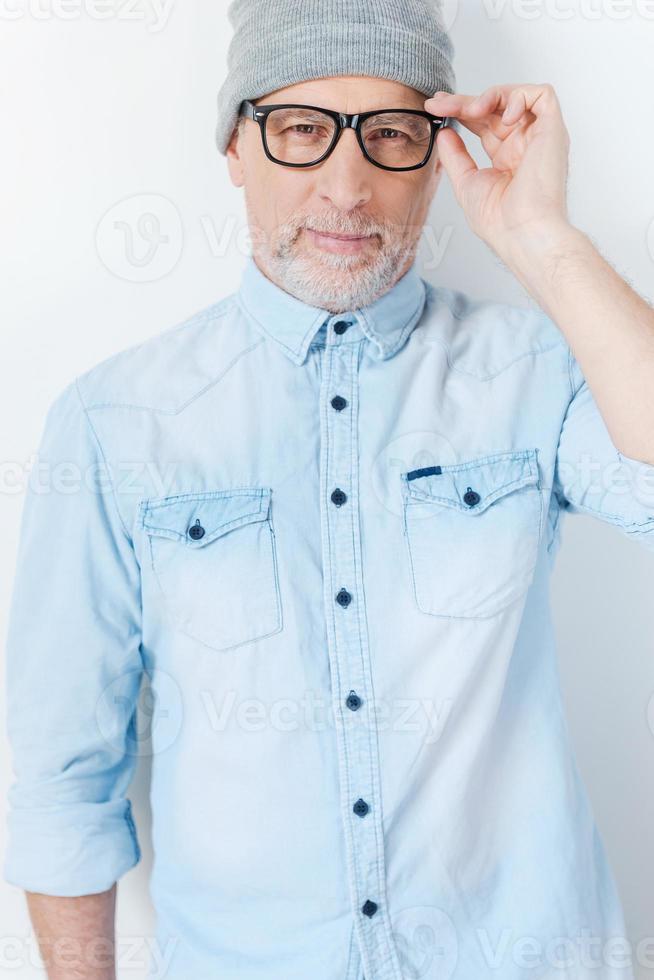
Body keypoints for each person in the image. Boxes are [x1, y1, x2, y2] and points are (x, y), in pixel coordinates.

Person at [4, 1, 654, 978]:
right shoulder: (115, 420)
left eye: (390, 134)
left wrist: (544, 239)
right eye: (304, 131)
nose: (347, 189)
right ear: (235, 144)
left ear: (439, 151)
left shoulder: (539, 369)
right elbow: (59, 774)